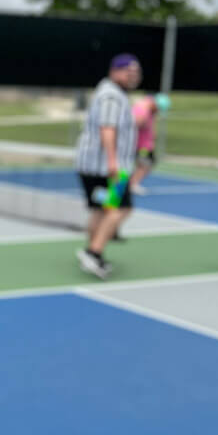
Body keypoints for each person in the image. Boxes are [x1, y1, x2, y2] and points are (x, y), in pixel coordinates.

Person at [74, 53, 142, 279]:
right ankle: (93, 252)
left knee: (101, 209)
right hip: (106, 169)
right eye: (127, 72)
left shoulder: (114, 94)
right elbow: (107, 128)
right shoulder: (111, 97)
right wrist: (113, 161)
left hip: (102, 167)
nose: (132, 76)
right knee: (119, 209)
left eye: (135, 73)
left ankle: (93, 250)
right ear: (114, 71)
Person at [129, 93, 170, 195]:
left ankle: (130, 185)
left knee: (147, 163)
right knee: (144, 164)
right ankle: (131, 185)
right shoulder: (143, 110)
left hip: (144, 144)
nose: (158, 112)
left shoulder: (148, 109)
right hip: (140, 145)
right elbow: (135, 126)